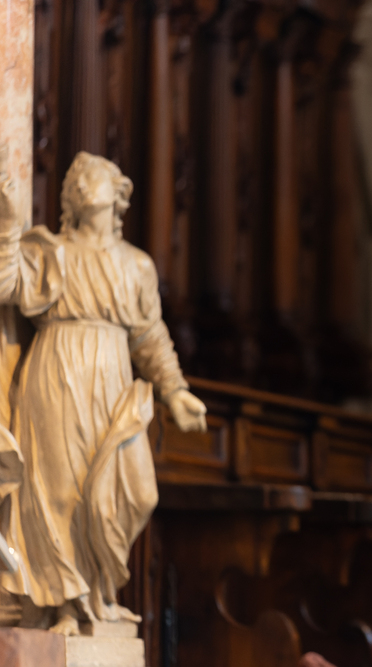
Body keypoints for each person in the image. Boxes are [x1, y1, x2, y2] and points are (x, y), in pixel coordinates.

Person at [0, 151, 207, 634]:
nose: (82, 181)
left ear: (118, 194)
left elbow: (149, 334)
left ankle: (101, 593)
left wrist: (175, 390)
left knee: (135, 492)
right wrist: (8, 223)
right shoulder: (49, 251)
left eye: (94, 175)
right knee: (58, 491)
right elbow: (7, 285)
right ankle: (67, 605)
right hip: (55, 376)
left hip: (113, 380)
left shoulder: (136, 265)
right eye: (76, 178)